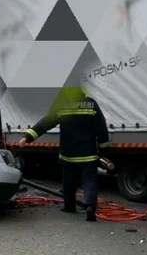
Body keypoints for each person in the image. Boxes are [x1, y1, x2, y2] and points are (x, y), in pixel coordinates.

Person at [17, 87, 110, 222]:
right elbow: (101, 128)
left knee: (69, 181)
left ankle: (69, 206)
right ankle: (90, 207)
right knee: (89, 181)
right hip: (88, 155)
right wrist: (104, 150)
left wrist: (28, 136)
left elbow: (46, 122)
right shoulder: (91, 104)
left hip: (69, 154)